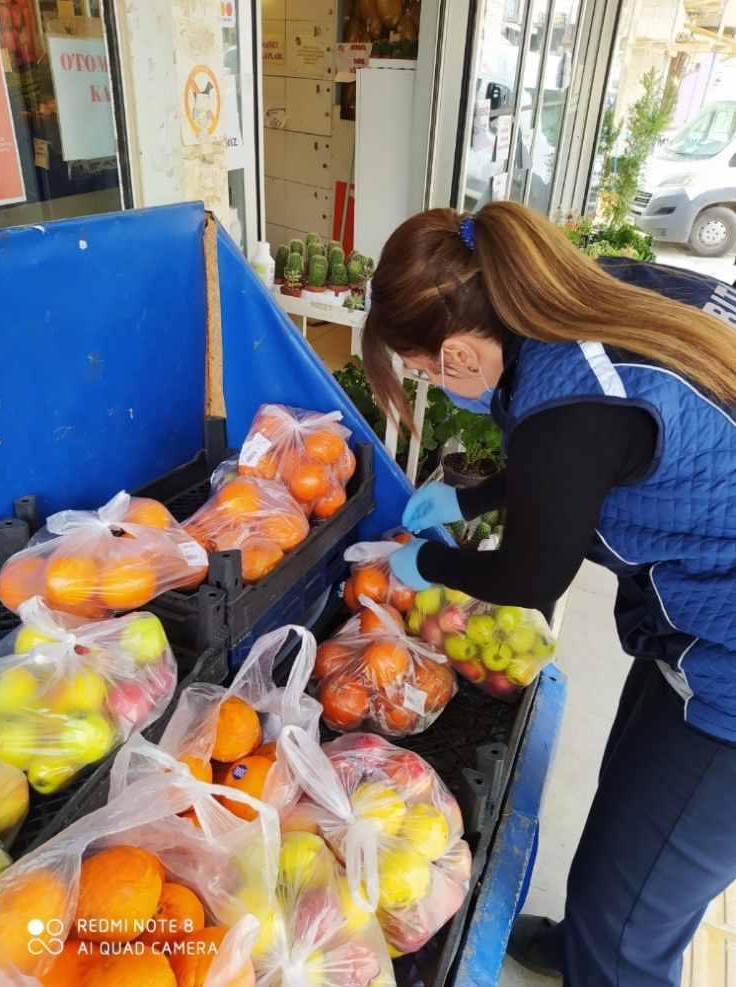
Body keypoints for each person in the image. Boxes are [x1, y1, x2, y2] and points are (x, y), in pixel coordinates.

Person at [360, 200, 736, 987]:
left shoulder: (571, 405)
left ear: (458, 353)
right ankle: (591, 936)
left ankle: (615, 952)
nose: (430, 382)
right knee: (631, 800)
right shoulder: (567, 300)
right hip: (703, 613)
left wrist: (429, 566)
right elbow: (573, 459)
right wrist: (470, 501)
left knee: (633, 923)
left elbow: (533, 576)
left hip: (729, 658)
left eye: (424, 370)